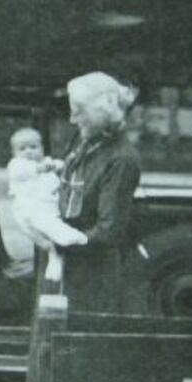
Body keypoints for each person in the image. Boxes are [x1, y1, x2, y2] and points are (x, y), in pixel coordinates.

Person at [55, 71, 142, 313]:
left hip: (92, 277)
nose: (72, 119)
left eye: (79, 111)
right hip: (73, 266)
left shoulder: (121, 159)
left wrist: (60, 241)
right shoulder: (87, 142)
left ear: (102, 111)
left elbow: (108, 231)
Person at [6, 127, 87, 282]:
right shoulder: (16, 165)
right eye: (22, 149)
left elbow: (61, 166)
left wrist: (61, 166)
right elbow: (26, 171)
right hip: (27, 209)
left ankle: (54, 259)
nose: (28, 152)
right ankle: (65, 237)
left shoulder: (48, 163)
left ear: (42, 148)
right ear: (14, 153)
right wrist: (42, 168)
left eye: (33, 147)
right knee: (44, 225)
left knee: (50, 229)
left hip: (47, 207)